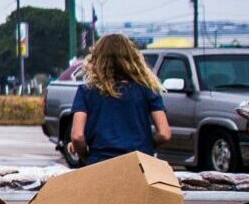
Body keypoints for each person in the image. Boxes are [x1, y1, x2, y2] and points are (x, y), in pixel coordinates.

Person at [65, 32, 171, 167]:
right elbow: (164, 133)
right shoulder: (148, 89)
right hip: (138, 165)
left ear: (97, 59)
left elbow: (77, 136)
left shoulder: (86, 91)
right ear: (133, 58)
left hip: (100, 165)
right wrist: (144, 147)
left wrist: (86, 156)